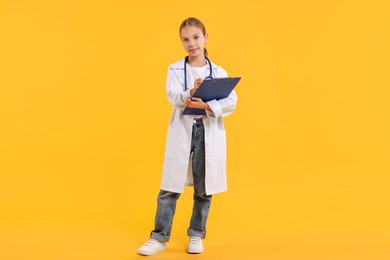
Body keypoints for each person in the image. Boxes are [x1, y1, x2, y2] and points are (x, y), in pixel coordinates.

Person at [137, 17, 238, 256]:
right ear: (181, 42)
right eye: (185, 39)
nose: (191, 43)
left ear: (205, 38)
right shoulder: (174, 68)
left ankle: (196, 233)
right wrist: (190, 92)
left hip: (207, 130)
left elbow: (231, 101)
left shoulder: (219, 71)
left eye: (195, 37)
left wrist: (206, 105)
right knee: (170, 186)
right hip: (184, 129)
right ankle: (159, 237)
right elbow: (173, 97)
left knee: (204, 186)